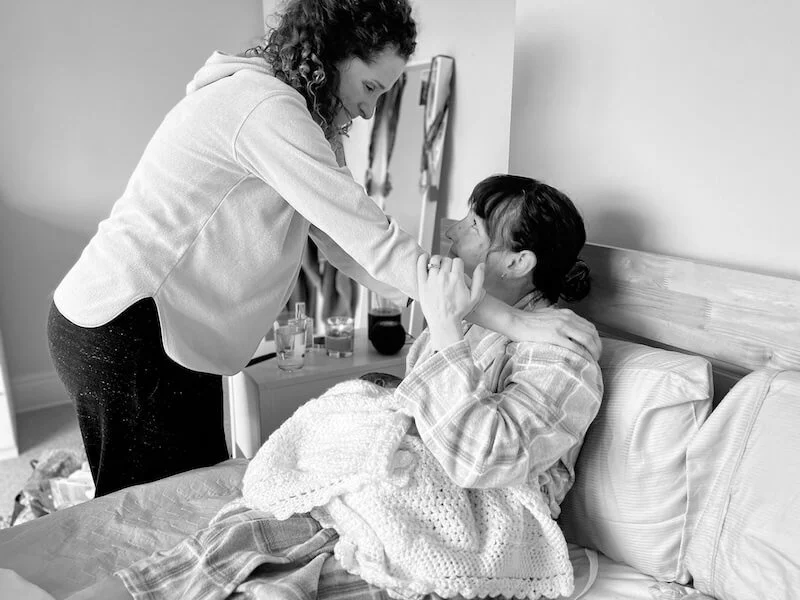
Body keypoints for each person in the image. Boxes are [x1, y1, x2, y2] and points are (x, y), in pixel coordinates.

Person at [47, 0, 601, 498]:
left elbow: (346, 246)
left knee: (192, 497)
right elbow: (371, 239)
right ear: (334, 54)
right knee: (151, 510)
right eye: (370, 89)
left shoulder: (300, 118)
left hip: (162, 330)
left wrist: (438, 305)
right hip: (131, 325)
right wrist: (516, 322)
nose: (368, 112)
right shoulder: (264, 108)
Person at [66, 174, 604, 600]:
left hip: (484, 521)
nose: (449, 230)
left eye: (473, 226)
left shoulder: (564, 352)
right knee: (245, 533)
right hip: (409, 487)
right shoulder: (472, 318)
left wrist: (443, 332)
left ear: (517, 261)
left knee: (296, 573)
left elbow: (481, 461)